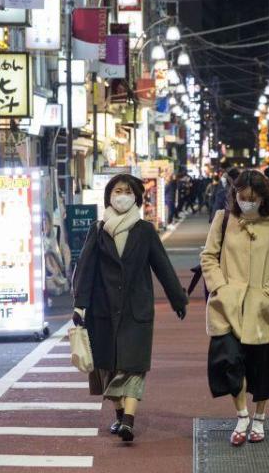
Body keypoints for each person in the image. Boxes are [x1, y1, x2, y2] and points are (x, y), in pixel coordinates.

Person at [73, 174, 188, 442]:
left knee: (134, 366)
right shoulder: (98, 229)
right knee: (109, 367)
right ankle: (119, 413)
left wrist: (177, 299)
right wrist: (80, 305)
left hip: (137, 309)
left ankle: (128, 420)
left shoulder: (145, 231)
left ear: (136, 196)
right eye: (116, 191)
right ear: (109, 196)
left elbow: (163, 267)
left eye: (126, 191)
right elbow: (85, 270)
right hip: (103, 310)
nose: (121, 196)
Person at [201, 170, 269, 447]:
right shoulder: (223, 218)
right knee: (229, 361)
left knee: (263, 367)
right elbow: (208, 256)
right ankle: (241, 415)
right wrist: (220, 288)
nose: (246, 203)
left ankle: (259, 417)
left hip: (262, 306)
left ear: (263, 197)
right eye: (241, 197)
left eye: (252, 198)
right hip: (227, 305)